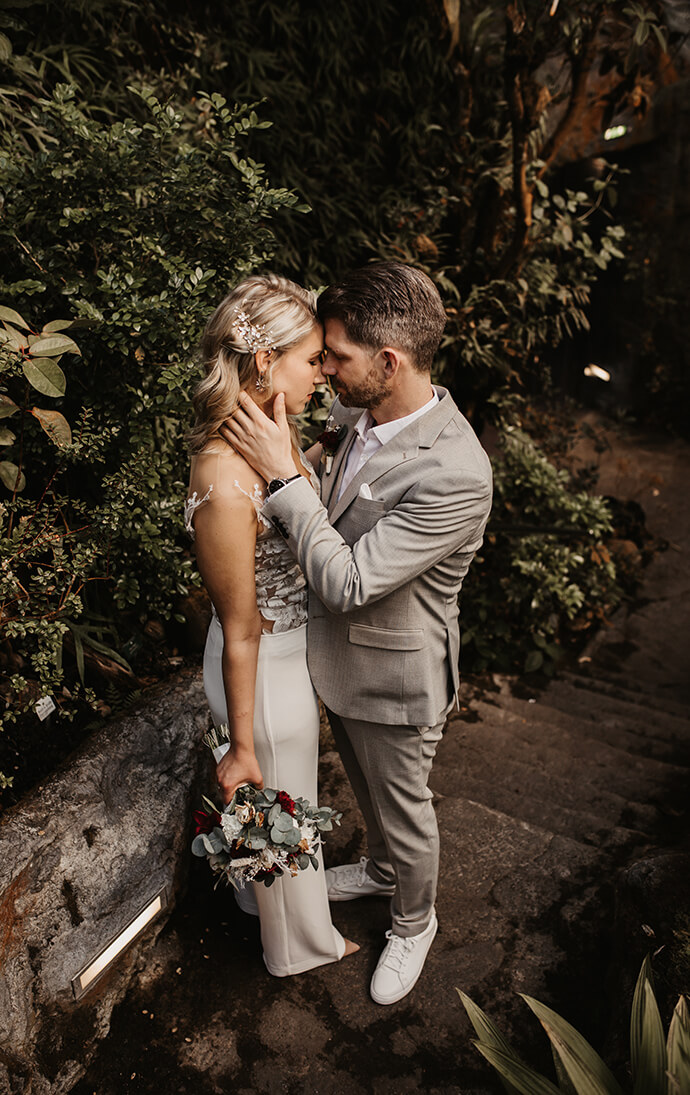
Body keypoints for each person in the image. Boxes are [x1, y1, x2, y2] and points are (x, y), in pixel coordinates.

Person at [222, 261, 492, 1005]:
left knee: (406, 810)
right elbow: (323, 486)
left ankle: (414, 918)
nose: (326, 369)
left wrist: (282, 480)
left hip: (396, 677)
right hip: (329, 663)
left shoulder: (456, 473)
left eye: (335, 355)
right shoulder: (356, 414)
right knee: (372, 802)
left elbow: (345, 583)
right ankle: (377, 870)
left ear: (389, 362)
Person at [185, 273, 358, 977]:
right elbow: (240, 624)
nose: (322, 372)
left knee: (277, 808)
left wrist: (307, 457)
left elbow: (290, 491)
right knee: (279, 806)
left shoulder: (269, 438)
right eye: (312, 358)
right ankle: (299, 949)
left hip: (284, 657)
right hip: (258, 664)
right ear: (265, 361)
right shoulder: (226, 478)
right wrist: (243, 740)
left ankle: (262, 910)